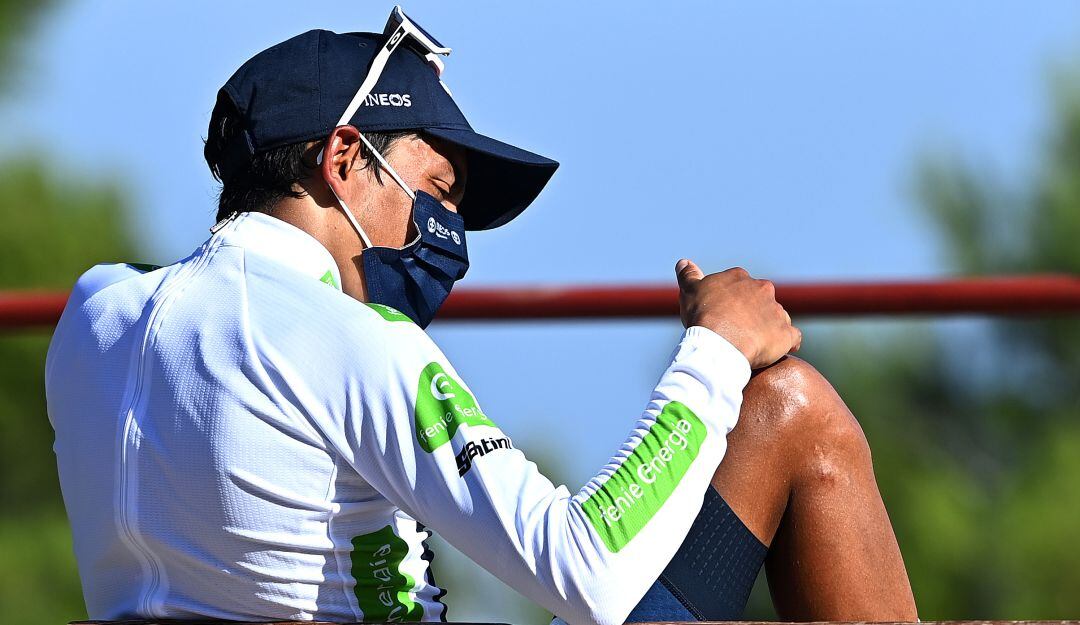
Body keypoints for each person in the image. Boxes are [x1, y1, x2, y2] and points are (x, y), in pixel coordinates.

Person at [45, 8, 917, 625]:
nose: (449, 232)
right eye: (437, 191)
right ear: (345, 158)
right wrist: (715, 352)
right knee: (794, 411)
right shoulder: (356, 342)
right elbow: (588, 573)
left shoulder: (98, 314)